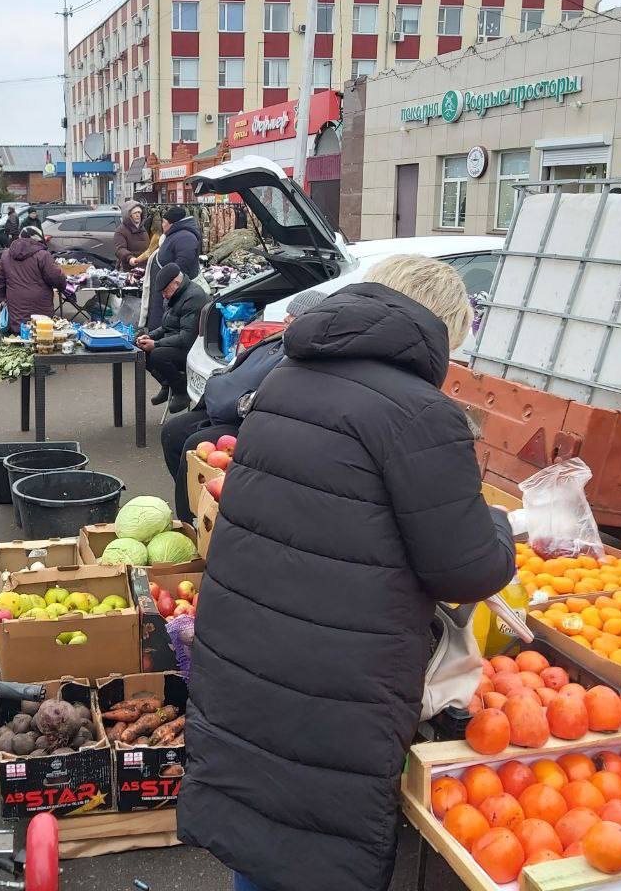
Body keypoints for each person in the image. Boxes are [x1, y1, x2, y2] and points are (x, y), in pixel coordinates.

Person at [176, 255, 516, 891]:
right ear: (439, 331)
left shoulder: (287, 378)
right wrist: (500, 525)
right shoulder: (421, 414)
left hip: (249, 644)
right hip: (335, 673)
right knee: (317, 840)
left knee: (257, 815)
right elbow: (467, 569)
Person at [161, 288, 327, 522]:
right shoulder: (276, 341)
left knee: (194, 444)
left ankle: (193, 522)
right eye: (288, 315)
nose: (286, 320)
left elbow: (275, 401)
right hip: (225, 408)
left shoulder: (308, 359)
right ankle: (192, 500)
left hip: (254, 422)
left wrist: (236, 400)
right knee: (173, 432)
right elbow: (235, 365)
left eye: (294, 318)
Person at [136, 264, 208, 413]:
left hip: (193, 348)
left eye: (165, 291)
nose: (163, 296)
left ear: (176, 282)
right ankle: (167, 383)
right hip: (177, 342)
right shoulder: (174, 294)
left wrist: (156, 344)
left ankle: (181, 390)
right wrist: (149, 336)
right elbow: (166, 327)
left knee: (158, 355)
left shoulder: (194, 297)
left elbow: (187, 338)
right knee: (139, 350)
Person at [0, 226, 67, 328]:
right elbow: (56, 278)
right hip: (41, 307)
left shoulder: (6, 255)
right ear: (38, 239)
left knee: (20, 331)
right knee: (41, 332)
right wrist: (62, 286)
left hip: (16, 309)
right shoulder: (43, 255)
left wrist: (4, 299)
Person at [143, 207, 201, 329]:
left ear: (172, 223)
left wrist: (170, 284)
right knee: (159, 323)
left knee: (169, 326)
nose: (162, 225)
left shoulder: (186, 238)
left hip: (173, 291)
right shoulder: (176, 235)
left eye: (164, 222)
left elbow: (183, 264)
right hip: (167, 290)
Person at [113, 200, 148, 269]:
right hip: (128, 268)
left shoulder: (143, 229)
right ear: (129, 215)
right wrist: (130, 258)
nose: (138, 215)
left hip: (145, 267)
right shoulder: (121, 231)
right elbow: (120, 249)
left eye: (139, 212)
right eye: (135, 213)